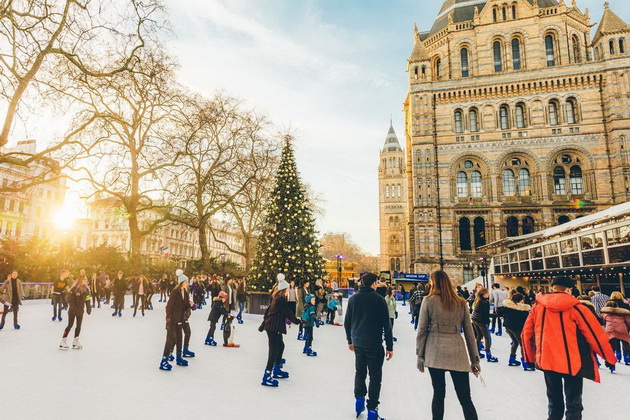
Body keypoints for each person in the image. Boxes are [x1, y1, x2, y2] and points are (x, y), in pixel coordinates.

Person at [522, 276, 617, 419]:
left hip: (548, 360)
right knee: (574, 403)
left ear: (552, 288)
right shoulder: (578, 308)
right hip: (573, 362)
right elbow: (595, 335)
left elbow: (526, 334)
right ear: (569, 289)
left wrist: (528, 357)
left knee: (554, 402)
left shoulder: (538, 307)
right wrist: (609, 358)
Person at [416, 271, 479, 420]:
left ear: (434, 282)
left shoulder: (429, 300)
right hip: (457, 350)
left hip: (435, 350)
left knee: (438, 394)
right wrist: (474, 359)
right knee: (465, 397)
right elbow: (470, 334)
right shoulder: (461, 302)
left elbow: (422, 330)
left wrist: (420, 354)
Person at [344, 273, 393, 420]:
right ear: (373, 283)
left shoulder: (353, 299)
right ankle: (372, 409)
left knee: (360, 372)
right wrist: (389, 346)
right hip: (374, 343)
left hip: (358, 342)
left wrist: (350, 340)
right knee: (375, 376)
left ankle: (359, 398)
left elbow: (347, 322)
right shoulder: (379, 300)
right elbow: (387, 325)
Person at [258, 274, 302, 387]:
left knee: (280, 346)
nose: (289, 290)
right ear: (284, 289)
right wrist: (297, 321)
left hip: (274, 326)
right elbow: (286, 312)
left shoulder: (277, 298)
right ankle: (267, 375)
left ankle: (277, 369)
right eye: (287, 289)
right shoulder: (280, 299)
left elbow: (270, 311)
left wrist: (263, 324)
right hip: (273, 327)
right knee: (273, 350)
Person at [159, 270, 195, 371]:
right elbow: (169, 306)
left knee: (179, 338)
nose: (188, 284)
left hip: (180, 319)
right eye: (186, 282)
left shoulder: (186, 292)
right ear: (181, 283)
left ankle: (179, 357)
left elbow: (186, 305)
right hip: (172, 319)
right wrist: (169, 318)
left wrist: (190, 307)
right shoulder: (175, 292)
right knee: (170, 339)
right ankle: (164, 360)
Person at [497, 293, 533, 370]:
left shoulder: (508, 306)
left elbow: (499, 312)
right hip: (517, 328)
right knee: (522, 344)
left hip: (508, 327)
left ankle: (512, 359)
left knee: (515, 342)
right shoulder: (523, 309)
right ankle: (525, 362)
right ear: (521, 300)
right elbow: (526, 320)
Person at [59, 275, 92, 350]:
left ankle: (75, 340)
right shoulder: (74, 289)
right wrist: (74, 309)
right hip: (72, 311)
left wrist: (88, 307)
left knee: (78, 326)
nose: (86, 281)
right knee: (70, 325)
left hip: (80, 310)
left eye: (86, 279)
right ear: (80, 280)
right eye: (84, 279)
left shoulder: (86, 289)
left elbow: (87, 299)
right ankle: (63, 340)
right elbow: (70, 300)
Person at [471, 288, 498, 362]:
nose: (488, 294)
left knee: (479, 336)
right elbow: (486, 314)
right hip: (481, 321)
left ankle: (476, 353)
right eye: (487, 293)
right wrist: (496, 315)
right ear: (484, 294)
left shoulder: (478, 300)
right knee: (487, 337)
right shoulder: (485, 302)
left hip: (475, 319)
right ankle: (488, 355)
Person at [601, 301, 630, 366]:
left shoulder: (604, 313)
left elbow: (603, 322)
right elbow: (628, 322)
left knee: (611, 347)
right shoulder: (622, 313)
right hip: (622, 329)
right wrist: (627, 329)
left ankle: (610, 362)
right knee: (626, 344)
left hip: (610, 330)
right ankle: (627, 357)